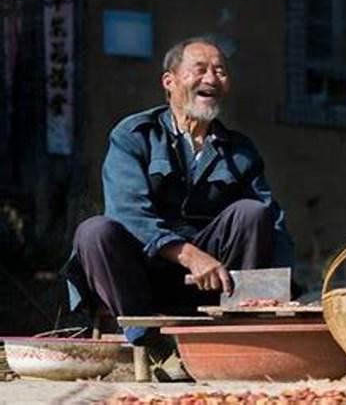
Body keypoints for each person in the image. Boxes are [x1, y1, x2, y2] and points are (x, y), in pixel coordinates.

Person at [65, 37, 294, 345]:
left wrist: (285, 289)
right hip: (138, 276)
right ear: (169, 81)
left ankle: (242, 332)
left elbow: (274, 224)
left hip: (211, 281)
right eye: (199, 70)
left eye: (220, 71)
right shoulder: (134, 135)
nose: (211, 78)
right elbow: (128, 213)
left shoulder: (239, 150)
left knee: (253, 212)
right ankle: (149, 343)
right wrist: (189, 256)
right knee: (94, 231)